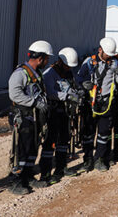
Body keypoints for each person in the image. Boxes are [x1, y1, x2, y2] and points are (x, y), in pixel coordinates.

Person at [8, 41, 53, 195]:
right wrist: (34, 102)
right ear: (40, 58)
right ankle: (15, 180)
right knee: (22, 149)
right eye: (46, 58)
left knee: (32, 148)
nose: (48, 62)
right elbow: (14, 94)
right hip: (24, 117)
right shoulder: (21, 73)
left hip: (34, 117)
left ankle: (27, 175)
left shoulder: (36, 73)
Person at [77, 37, 118, 172]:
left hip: (106, 103)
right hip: (90, 103)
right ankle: (88, 159)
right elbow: (79, 78)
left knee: (104, 133)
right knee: (88, 133)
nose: (109, 56)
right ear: (100, 50)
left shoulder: (114, 63)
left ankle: (100, 159)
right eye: (107, 54)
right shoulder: (89, 62)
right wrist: (83, 85)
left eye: (111, 54)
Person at [38, 48, 80, 186]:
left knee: (64, 140)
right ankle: (45, 173)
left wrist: (75, 94)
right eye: (67, 65)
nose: (69, 68)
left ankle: (61, 168)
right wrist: (66, 96)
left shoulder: (67, 72)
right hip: (53, 111)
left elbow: (71, 86)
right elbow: (50, 92)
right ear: (61, 62)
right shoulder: (50, 74)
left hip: (65, 111)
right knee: (50, 141)